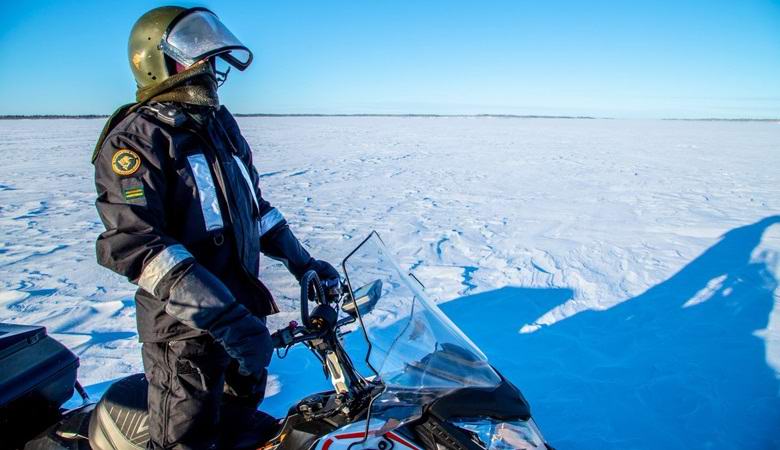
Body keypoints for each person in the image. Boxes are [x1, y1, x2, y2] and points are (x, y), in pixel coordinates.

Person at [92, 6, 340, 449]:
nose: (210, 68)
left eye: (210, 59)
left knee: (239, 430)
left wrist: (303, 263)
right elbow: (139, 245)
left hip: (242, 320)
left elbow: (254, 211)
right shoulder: (135, 139)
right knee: (187, 442)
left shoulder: (218, 126)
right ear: (158, 63)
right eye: (198, 58)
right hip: (186, 334)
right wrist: (227, 321)